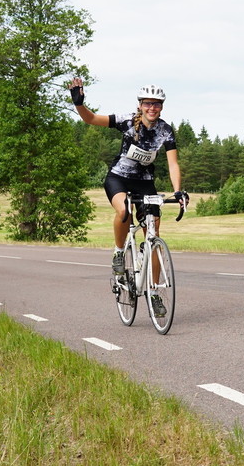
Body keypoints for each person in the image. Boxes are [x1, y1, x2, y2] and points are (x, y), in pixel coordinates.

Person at [69, 77, 189, 316]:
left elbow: (173, 163)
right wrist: (79, 104)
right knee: (124, 209)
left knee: (153, 233)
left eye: (156, 104)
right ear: (140, 105)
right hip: (119, 178)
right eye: (147, 103)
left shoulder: (165, 130)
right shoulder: (126, 121)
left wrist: (178, 190)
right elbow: (91, 119)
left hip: (145, 183)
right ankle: (118, 252)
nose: (152, 108)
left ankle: (154, 293)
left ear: (162, 107)